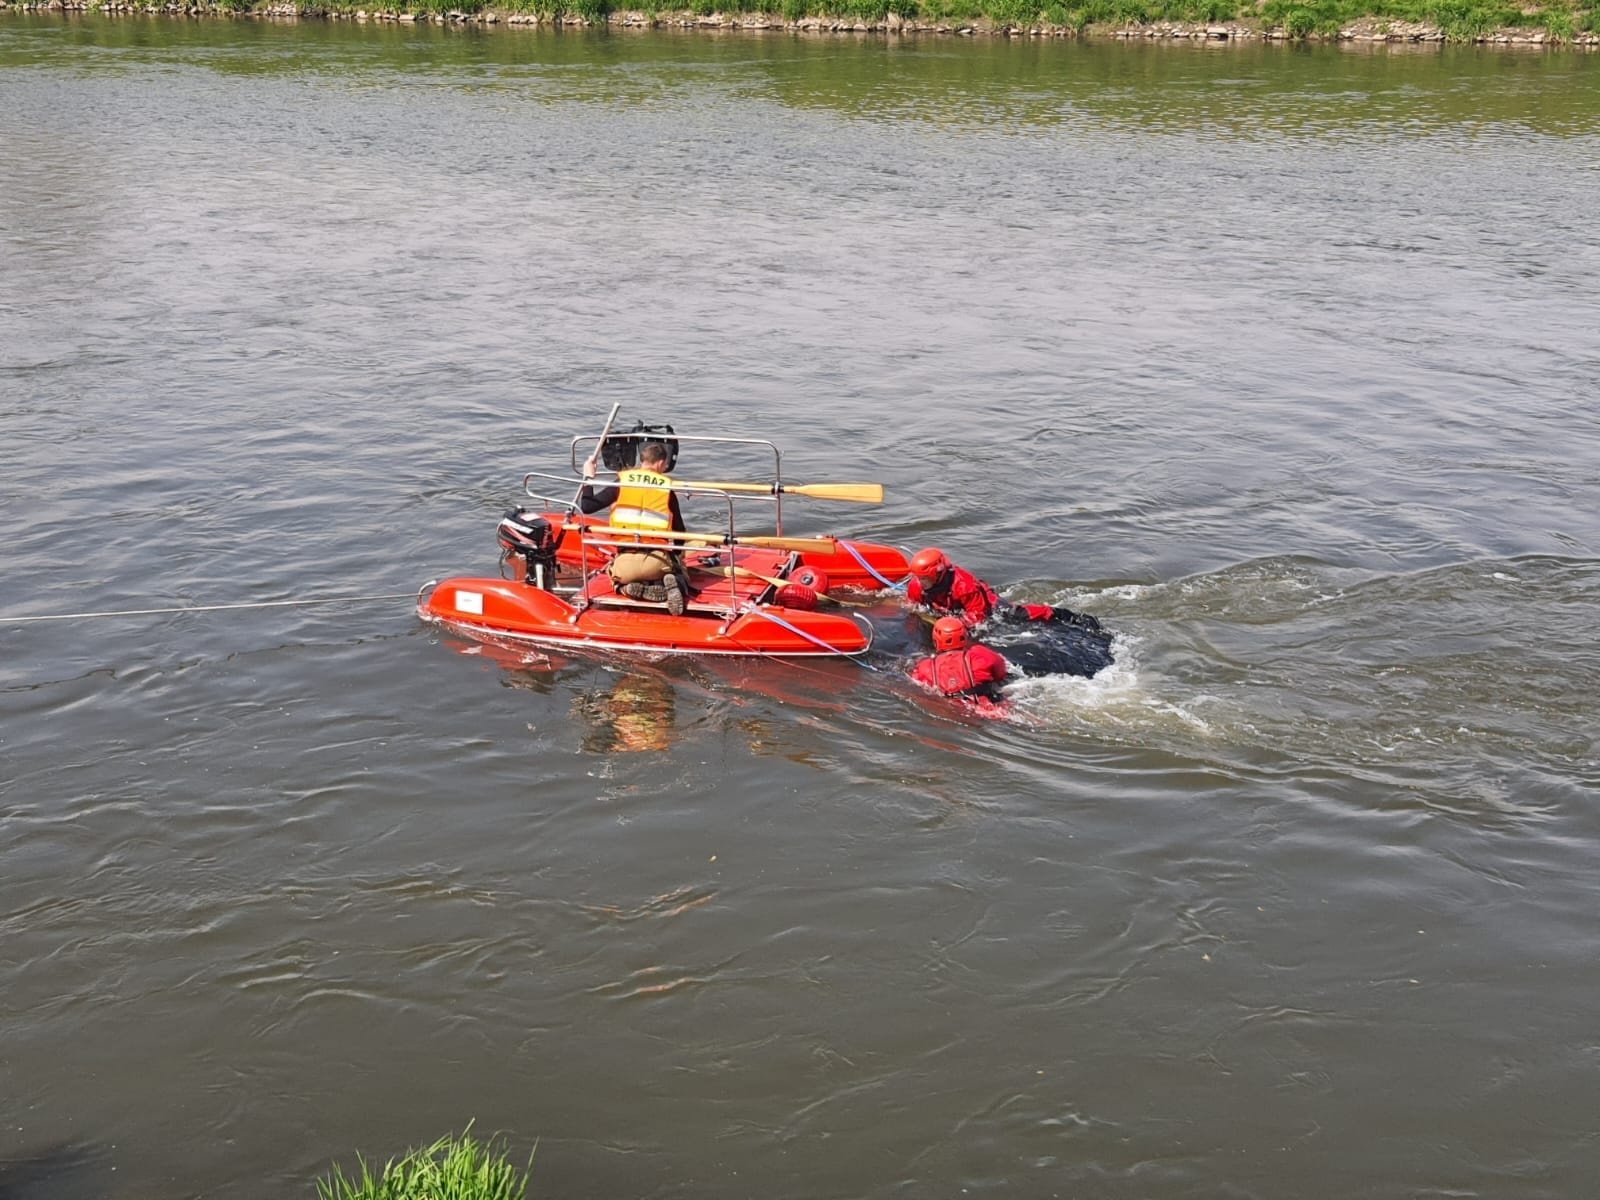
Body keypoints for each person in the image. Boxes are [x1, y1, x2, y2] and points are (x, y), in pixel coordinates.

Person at [580, 440, 690, 615]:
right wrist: (677, 558)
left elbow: (586, 506)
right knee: (680, 571)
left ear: (642, 460)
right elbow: (679, 536)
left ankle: (626, 588)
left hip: (625, 563)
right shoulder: (666, 488)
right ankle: (671, 582)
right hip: (657, 562)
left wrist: (588, 477)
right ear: (661, 463)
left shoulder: (622, 481)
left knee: (613, 575)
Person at [905, 547, 1104, 633]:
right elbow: (914, 607)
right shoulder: (916, 586)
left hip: (988, 606)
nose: (921, 583)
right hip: (952, 611)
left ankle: (1061, 615)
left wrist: (949, 623)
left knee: (1016, 614)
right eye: (919, 578)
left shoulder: (964, 585)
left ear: (938, 573)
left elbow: (978, 618)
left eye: (925, 578)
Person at [909, 616, 1011, 704]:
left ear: (936, 641)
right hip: (987, 708)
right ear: (964, 637)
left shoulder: (925, 667)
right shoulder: (980, 654)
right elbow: (1001, 671)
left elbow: (918, 686)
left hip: (950, 711)